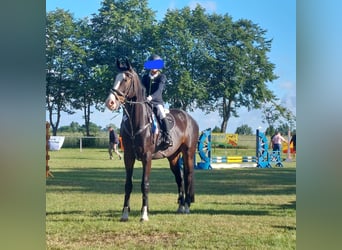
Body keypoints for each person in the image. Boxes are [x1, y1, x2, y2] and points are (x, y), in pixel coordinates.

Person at [141, 54, 173, 149]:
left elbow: (159, 90)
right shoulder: (145, 77)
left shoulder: (161, 77)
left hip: (157, 102)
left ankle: (167, 137)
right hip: (146, 102)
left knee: (161, 114)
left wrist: (151, 97)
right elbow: (142, 89)